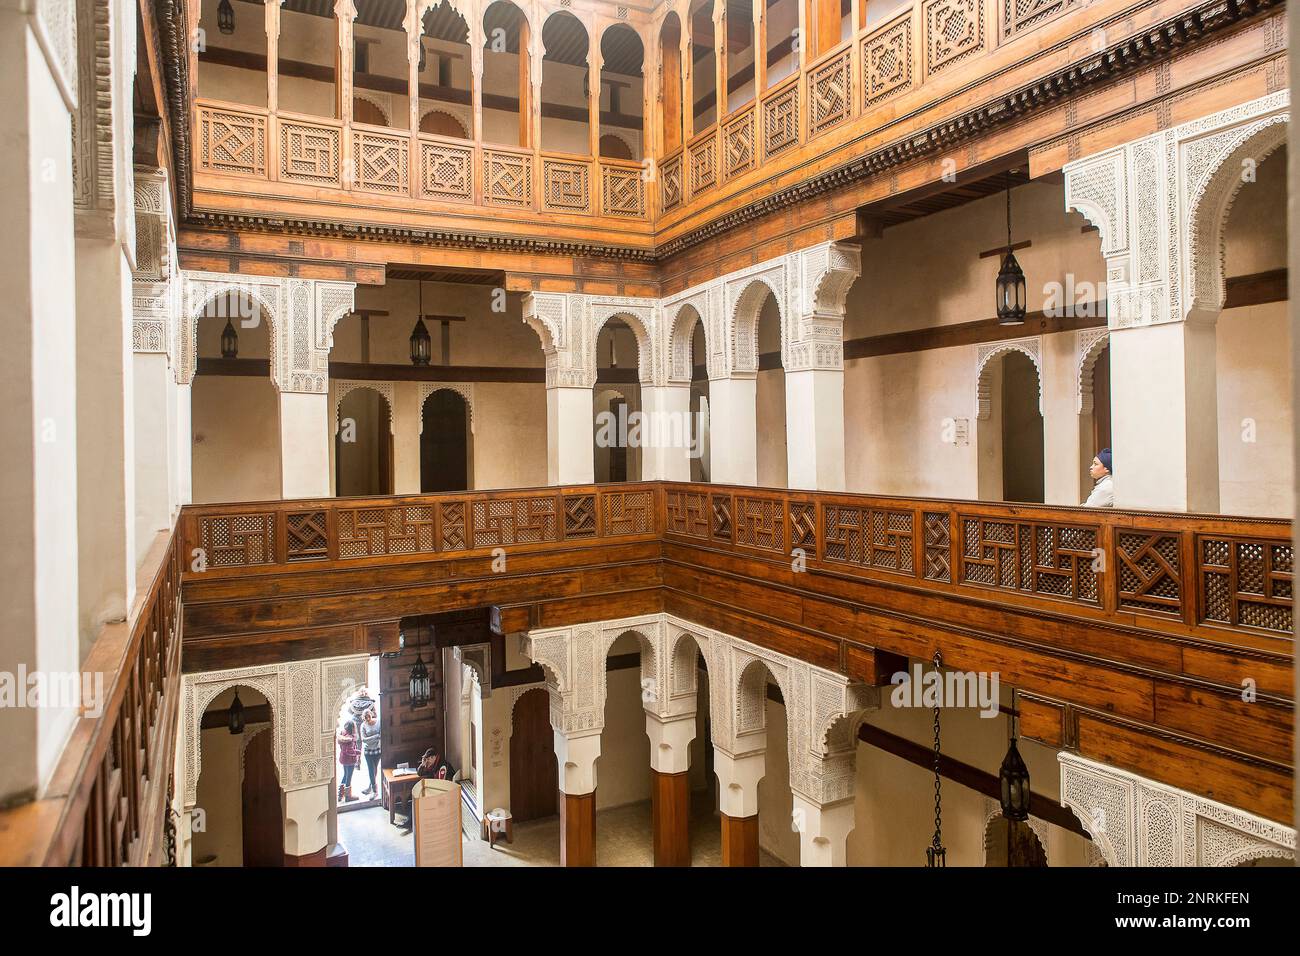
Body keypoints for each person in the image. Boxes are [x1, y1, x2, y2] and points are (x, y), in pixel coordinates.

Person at [337, 720, 361, 802]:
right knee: (348, 777)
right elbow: (350, 751)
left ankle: (340, 795)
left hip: (343, 758)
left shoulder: (343, 733)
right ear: (352, 728)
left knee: (345, 775)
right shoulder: (350, 739)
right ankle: (348, 796)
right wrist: (358, 752)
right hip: (350, 760)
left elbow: (342, 748)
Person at [359, 708, 381, 797]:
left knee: (375, 769)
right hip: (368, 751)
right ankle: (374, 790)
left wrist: (372, 739)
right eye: (365, 717)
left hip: (377, 749)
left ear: (371, 715)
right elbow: (364, 740)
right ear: (363, 718)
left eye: (368, 716)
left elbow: (381, 735)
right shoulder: (363, 726)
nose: (367, 719)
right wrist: (375, 737)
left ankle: (371, 787)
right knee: (371, 770)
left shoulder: (378, 722)